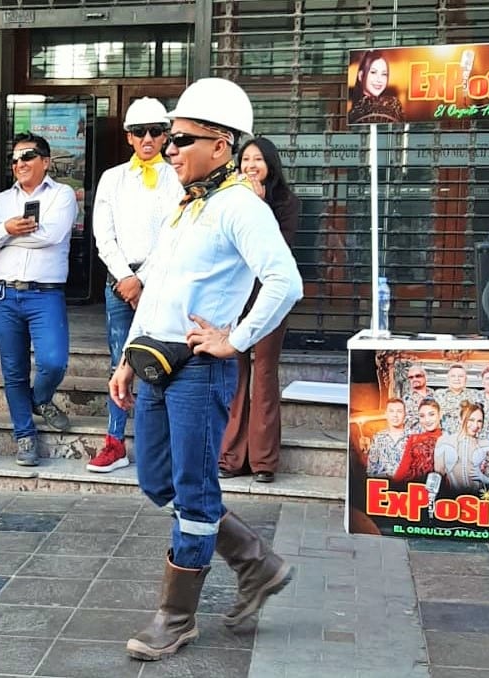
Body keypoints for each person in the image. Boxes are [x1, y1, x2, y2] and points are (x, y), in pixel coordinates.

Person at [109, 78, 303, 661]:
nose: (168, 149)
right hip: (156, 363)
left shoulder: (240, 205)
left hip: (198, 368)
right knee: (156, 480)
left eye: (181, 140)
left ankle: (175, 617)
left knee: (193, 492)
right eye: (168, 139)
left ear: (220, 144)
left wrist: (234, 341)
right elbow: (158, 289)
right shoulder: (188, 204)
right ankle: (254, 559)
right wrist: (126, 358)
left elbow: (285, 282)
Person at [0, 133, 78, 467]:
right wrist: (7, 229)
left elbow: (52, 235)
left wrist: (4, 239)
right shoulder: (1, 201)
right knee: (13, 370)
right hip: (4, 294)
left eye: (28, 156)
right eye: (15, 158)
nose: (20, 163)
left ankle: (41, 398)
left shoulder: (62, 195)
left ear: (45, 162)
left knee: (53, 361)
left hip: (44, 294)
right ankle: (24, 435)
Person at [89, 97, 180, 473]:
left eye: (156, 132)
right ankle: (115, 441)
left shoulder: (176, 176)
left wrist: (143, 280)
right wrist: (125, 277)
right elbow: (102, 233)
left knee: (161, 362)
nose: (148, 138)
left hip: (161, 281)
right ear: (128, 136)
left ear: (165, 136)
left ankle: (160, 445)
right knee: (118, 361)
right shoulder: (113, 178)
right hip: (119, 281)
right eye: (140, 131)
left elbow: (174, 233)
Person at [218, 136, 300, 483]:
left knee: (264, 373)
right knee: (235, 373)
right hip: (235, 296)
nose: (251, 166)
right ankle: (231, 458)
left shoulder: (286, 202)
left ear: (271, 165)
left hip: (270, 297)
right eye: (245, 160)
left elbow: (277, 250)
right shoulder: (228, 199)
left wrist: (259, 205)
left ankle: (264, 461)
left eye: (258, 160)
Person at [433, 400, 489, 491]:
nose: (475, 425)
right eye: (471, 420)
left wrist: (488, 479)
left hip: (477, 497)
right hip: (453, 497)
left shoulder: (484, 444)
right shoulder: (444, 441)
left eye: (479, 421)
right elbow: (438, 473)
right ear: (460, 419)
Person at [348, 50, 405, 124]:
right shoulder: (353, 113)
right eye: (373, 72)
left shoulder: (394, 105)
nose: (379, 79)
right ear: (361, 75)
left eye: (384, 74)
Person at [392, 398, 442, 482]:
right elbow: (403, 468)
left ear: (440, 415)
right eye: (422, 416)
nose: (427, 420)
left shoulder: (448, 439)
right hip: (413, 486)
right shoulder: (414, 439)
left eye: (431, 414)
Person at [364, 398, 408, 478]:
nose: (395, 415)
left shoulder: (413, 438)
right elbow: (371, 469)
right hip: (383, 486)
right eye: (391, 411)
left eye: (399, 411)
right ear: (386, 414)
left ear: (405, 414)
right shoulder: (378, 438)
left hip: (407, 486)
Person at [434, 363, 481, 435]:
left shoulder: (475, 395)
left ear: (466, 379)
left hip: (467, 438)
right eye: (453, 376)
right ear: (448, 379)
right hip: (444, 438)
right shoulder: (438, 395)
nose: (457, 379)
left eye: (461, 376)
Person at [401, 363, 434, 433]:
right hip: (413, 437)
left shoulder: (436, 396)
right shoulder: (405, 400)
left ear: (425, 377)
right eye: (411, 377)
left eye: (418, 376)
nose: (414, 379)